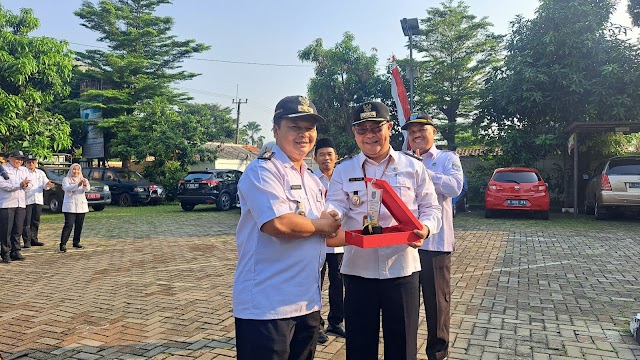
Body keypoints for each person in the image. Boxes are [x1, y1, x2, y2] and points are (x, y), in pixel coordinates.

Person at [325, 101, 442, 360]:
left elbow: (431, 208)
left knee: (402, 348)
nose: (369, 135)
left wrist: (425, 228)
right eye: (362, 129)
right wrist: (331, 215)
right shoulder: (345, 169)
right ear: (354, 134)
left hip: (402, 269)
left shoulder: (413, 166)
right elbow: (335, 204)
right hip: (358, 271)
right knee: (359, 348)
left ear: (389, 127)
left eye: (375, 128)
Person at [232, 95, 342, 360]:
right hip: (267, 307)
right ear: (276, 130)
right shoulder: (263, 171)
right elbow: (278, 223)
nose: (304, 134)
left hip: (307, 304)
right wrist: (323, 225)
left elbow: (325, 235)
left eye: (310, 128)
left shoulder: (312, 180)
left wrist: (383, 236)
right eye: (295, 127)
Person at [403, 112, 464, 360]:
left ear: (434, 132)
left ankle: (437, 355)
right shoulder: (401, 161)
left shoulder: (447, 158)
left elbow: (454, 187)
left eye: (422, 130)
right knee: (406, 305)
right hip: (406, 244)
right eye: (412, 132)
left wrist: (423, 171)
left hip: (436, 244)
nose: (416, 135)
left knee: (437, 304)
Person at [313, 138, 345, 344]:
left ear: (336, 157)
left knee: (338, 283)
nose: (326, 158)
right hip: (317, 241)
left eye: (330, 154)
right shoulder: (310, 180)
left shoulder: (343, 180)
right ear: (315, 158)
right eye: (322, 154)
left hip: (339, 241)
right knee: (315, 282)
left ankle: (336, 321)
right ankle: (316, 326)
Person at [0, 150, 31, 263]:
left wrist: (26, 185)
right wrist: (19, 185)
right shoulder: (3, 169)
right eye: (17, 158)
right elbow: (3, 184)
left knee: (18, 229)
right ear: (10, 158)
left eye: (21, 159)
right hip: (7, 203)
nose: (19, 161)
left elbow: (30, 184)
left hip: (21, 203)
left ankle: (15, 250)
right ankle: (5, 252)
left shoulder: (23, 170)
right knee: (6, 230)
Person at [23, 155, 54, 247]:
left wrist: (48, 184)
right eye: (29, 162)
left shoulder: (40, 173)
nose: (31, 164)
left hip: (38, 199)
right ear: (25, 163)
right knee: (26, 222)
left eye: (33, 162)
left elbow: (45, 185)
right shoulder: (23, 172)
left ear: (36, 162)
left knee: (35, 220)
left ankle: (34, 239)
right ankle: (27, 241)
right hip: (27, 200)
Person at [60, 163, 90, 252]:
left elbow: (87, 189)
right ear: (71, 170)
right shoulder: (66, 179)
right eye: (74, 169)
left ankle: (76, 242)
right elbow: (67, 188)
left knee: (79, 225)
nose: (76, 171)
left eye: (77, 170)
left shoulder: (83, 179)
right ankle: (63, 244)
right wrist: (77, 185)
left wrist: (84, 184)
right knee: (68, 225)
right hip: (70, 206)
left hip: (81, 206)